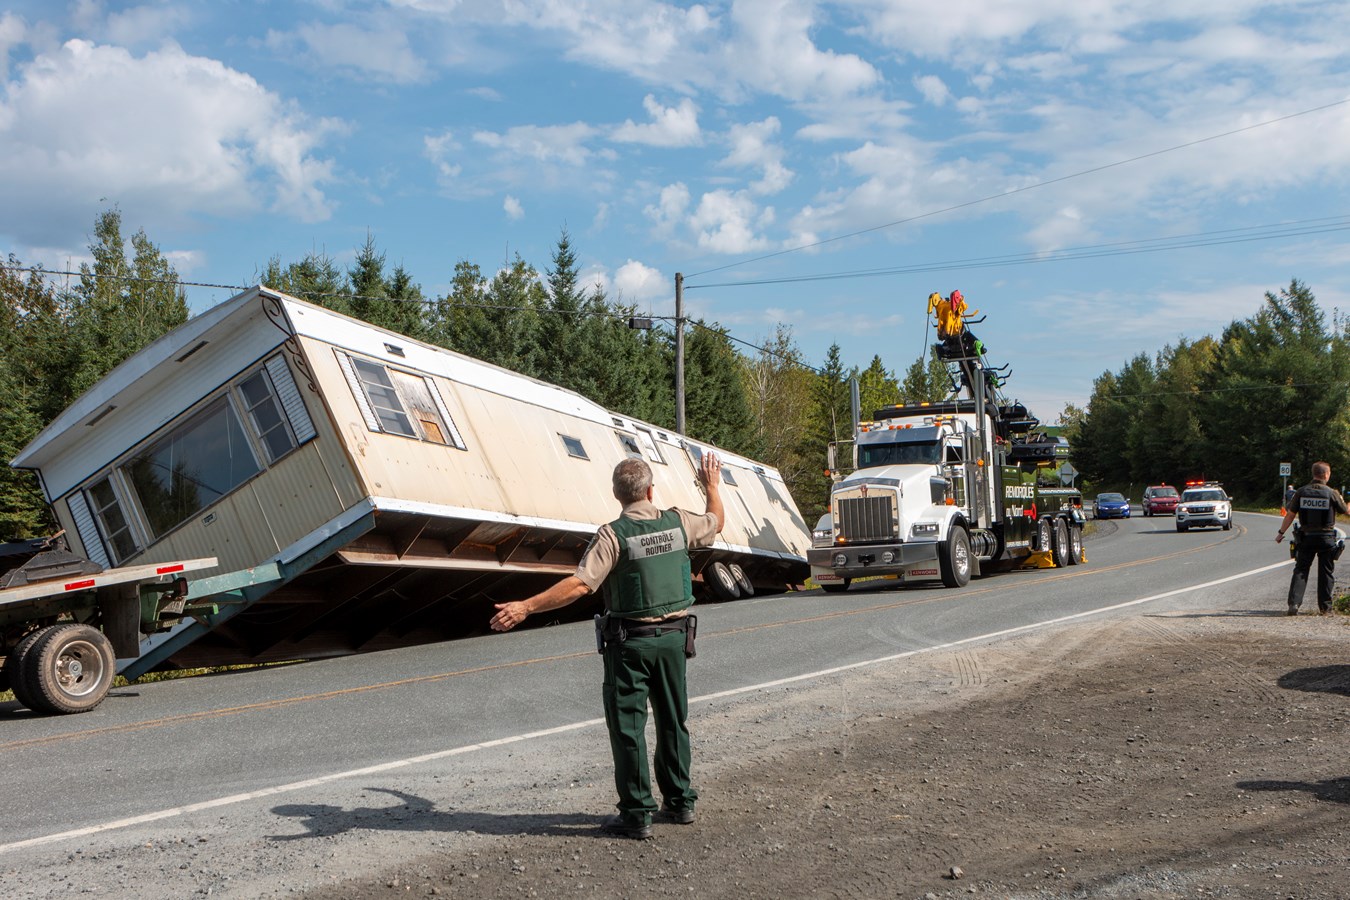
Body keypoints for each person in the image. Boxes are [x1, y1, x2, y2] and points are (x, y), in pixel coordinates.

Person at [490, 452, 724, 839]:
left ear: (617, 495)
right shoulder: (680, 522)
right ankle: (680, 802)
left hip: (630, 645)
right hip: (675, 640)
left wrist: (526, 607)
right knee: (672, 721)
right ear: (650, 490)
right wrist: (711, 485)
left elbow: (581, 584)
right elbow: (716, 521)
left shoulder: (613, 535)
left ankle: (637, 814)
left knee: (629, 729)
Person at [1276, 461, 1348, 615]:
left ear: (1313, 474)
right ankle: (1325, 609)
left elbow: (1290, 514)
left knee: (1301, 570)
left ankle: (1294, 605)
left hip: (1306, 538)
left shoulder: (1301, 492)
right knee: (1326, 572)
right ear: (1326, 475)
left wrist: (1281, 532)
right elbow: (1345, 511)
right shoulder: (1331, 493)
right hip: (1326, 538)